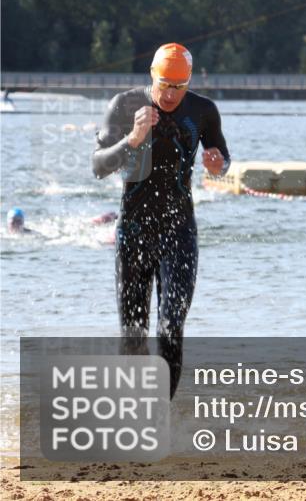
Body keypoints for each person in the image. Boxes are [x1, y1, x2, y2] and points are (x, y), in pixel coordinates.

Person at [92, 43, 230, 397]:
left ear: (189, 83)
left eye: (178, 87)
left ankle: (160, 414)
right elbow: (99, 166)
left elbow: (222, 159)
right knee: (133, 334)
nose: (170, 95)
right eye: (164, 85)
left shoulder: (203, 110)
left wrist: (218, 165)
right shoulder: (124, 104)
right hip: (134, 232)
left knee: (170, 328)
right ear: (152, 76)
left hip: (179, 231)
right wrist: (133, 137)